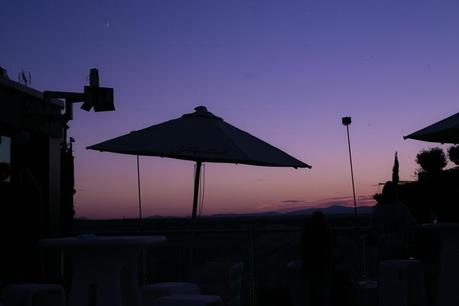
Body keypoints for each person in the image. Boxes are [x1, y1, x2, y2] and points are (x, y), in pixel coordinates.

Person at [371, 181, 417, 260]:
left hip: (383, 249)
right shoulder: (401, 207)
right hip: (400, 249)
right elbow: (412, 224)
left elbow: (372, 227)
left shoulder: (377, 208)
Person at [301, 211, 333, 306]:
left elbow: (303, 247)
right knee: (323, 289)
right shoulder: (326, 230)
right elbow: (330, 247)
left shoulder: (307, 231)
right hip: (323, 264)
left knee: (312, 289)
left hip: (311, 264)